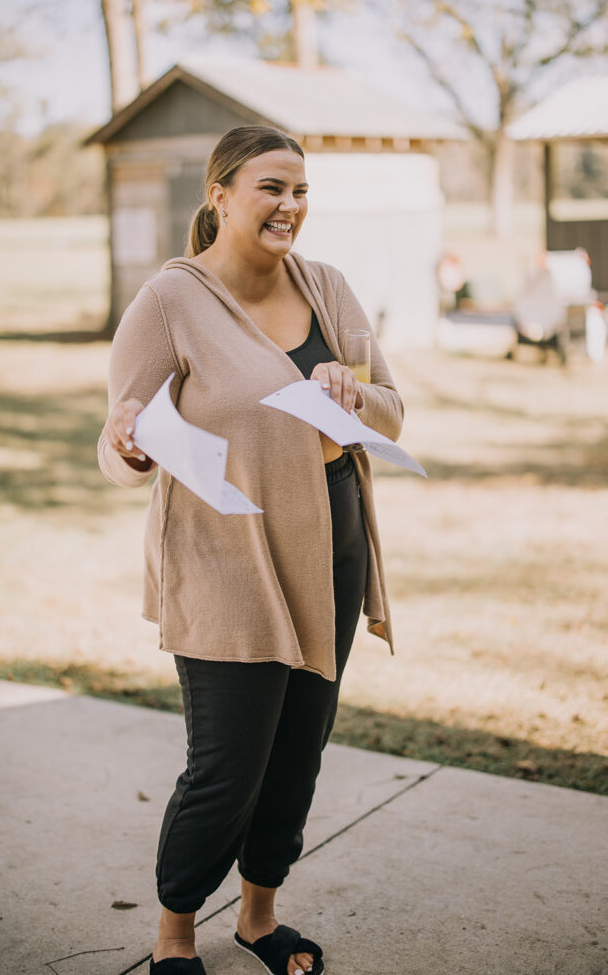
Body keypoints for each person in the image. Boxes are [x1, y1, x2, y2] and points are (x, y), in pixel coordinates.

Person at [98, 125, 404, 975]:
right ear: (220, 195)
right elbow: (118, 434)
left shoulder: (327, 286)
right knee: (227, 763)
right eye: (271, 188)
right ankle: (173, 939)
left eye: (301, 191)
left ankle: (260, 921)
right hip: (222, 554)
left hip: (328, 542)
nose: (290, 206)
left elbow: (391, 411)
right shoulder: (170, 300)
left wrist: (355, 395)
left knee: (298, 748)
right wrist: (126, 445)